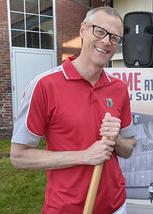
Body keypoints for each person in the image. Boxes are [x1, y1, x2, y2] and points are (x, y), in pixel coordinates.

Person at [10, 6, 136, 214]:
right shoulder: (45, 85)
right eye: (100, 31)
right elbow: (19, 156)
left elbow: (129, 148)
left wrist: (117, 140)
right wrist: (85, 156)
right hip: (66, 208)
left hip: (115, 205)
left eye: (115, 38)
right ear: (83, 30)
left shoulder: (119, 89)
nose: (106, 41)